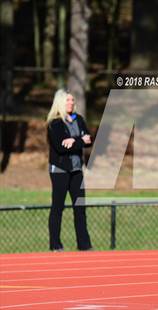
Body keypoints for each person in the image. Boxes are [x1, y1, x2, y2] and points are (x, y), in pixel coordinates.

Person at [47, 89, 93, 252]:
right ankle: (55, 245)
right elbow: (61, 147)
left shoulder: (78, 119)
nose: (71, 103)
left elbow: (88, 141)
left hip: (76, 170)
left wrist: (74, 141)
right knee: (58, 207)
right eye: (68, 100)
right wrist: (80, 140)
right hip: (59, 170)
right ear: (60, 102)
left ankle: (84, 245)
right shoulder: (55, 123)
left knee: (80, 208)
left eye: (72, 100)